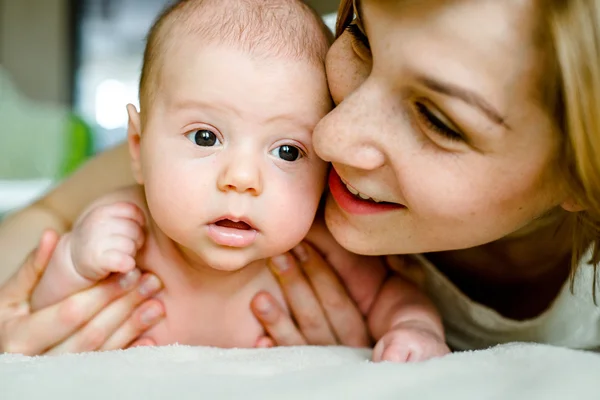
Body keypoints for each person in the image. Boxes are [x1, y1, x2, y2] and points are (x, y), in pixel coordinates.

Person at [2, 0, 600, 353]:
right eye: (360, 37)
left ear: (582, 173)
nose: (328, 136)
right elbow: (52, 215)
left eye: (439, 120)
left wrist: (408, 333)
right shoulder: (271, 58)